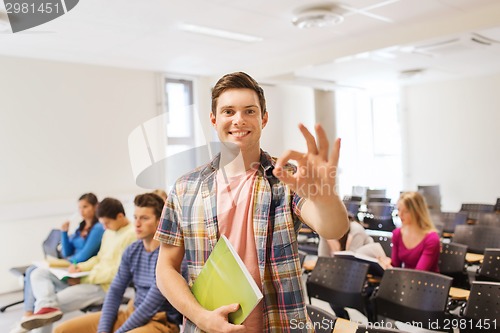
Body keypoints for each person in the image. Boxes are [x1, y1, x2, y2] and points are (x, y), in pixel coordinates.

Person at [155, 71, 349, 332]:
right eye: (228, 111)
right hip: (208, 327)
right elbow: (165, 269)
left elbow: (334, 229)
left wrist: (325, 197)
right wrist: (201, 317)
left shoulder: (287, 178)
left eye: (249, 111)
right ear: (213, 119)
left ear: (263, 118)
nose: (239, 120)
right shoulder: (184, 188)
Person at [54, 193, 182, 333]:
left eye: (144, 218)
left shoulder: (169, 255)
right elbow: (115, 291)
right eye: (135, 217)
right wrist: (103, 330)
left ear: (160, 221)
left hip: (160, 321)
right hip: (131, 313)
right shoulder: (132, 250)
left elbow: (150, 306)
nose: (137, 224)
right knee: (62, 330)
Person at [17, 198, 137, 333]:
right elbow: (99, 258)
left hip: (103, 287)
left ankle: (41, 311)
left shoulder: (132, 235)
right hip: (89, 278)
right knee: (38, 273)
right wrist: (81, 268)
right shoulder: (109, 232)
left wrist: (83, 279)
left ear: (120, 216)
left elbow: (118, 272)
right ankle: (47, 305)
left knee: (43, 309)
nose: (104, 227)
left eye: (107, 223)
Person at [12, 193, 105, 333]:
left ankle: (32, 314)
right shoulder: (80, 227)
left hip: (78, 268)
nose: (81, 211)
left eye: (85, 207)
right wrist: (64, 232)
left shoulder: (98, 228)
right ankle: (30, 313)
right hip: (69, 264)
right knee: (34, 272)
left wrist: (69, 263)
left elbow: (85, 254)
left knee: (42, 299)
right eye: (79, 207)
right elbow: (67, 251)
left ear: (95, 207)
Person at [379, 191, 440, 272]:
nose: (400, 214)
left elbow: (419, 273)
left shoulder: (432, 239)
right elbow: (396, 265)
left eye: (406, 211)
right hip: (406, 280)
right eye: (399, 210)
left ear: (417, 212)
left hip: (426, 282)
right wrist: (387, 265)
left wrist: (392, 270)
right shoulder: (397, 234)